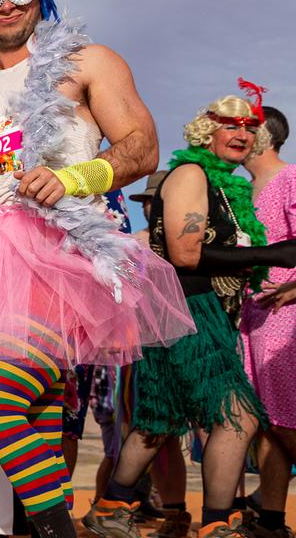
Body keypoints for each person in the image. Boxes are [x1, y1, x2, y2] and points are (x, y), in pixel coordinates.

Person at [0, 0, 194, 538]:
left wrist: (76, 179)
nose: (5, 3)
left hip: (57, 258)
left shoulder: (86, 60)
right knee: (34, 417)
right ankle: (5, 527)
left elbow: (142, 147)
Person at [83, 85, 296, 538]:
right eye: (229, 123)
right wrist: (274, 255)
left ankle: (110, 506)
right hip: (186, 307)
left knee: (159, 417)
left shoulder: (222, 184)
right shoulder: (192, 175)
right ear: (208, 131)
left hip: (188, 310)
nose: (241, 131)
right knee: (239, 415)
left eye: (250, 126)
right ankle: (219, 522)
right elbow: (186, 254)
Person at [241, 105, 296, 538]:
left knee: (285, 419)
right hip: (249, 318)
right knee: (267, 421)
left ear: (266, 135)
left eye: (244, 126)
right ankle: (273, 520)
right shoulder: (243, 190)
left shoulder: (291, 178)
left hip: (285, 314)